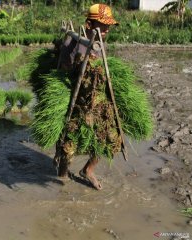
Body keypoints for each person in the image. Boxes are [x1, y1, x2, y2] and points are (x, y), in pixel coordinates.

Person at [54, 4, 119, 190]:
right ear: (89, 24)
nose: (107, 29)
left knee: (110, 138)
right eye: (102, 25)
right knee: (70, 140)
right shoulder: (72, 44)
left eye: (108, 26)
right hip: (75, 97)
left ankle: (88, 170)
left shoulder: (99, 43)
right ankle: (63, 175)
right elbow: (64, 74)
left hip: (94, 96)